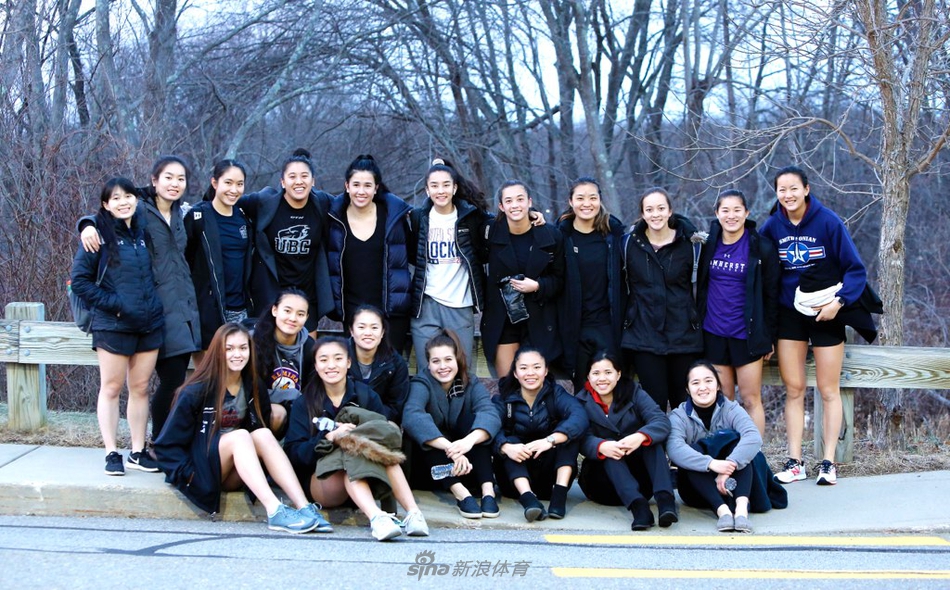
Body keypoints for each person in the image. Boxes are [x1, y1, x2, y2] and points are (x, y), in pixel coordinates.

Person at [154, 323, 331, 534]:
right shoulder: (196, 390)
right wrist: (188, 475)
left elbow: (260, 425)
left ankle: (305, 508)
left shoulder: (252, 384)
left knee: (263, 433)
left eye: (243, 348)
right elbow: (165, 446)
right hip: (201, 470)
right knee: (240, 436)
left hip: (235, 468)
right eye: (229, 349)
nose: (237, 354)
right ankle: (275, 510)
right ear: (217, 352)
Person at [78, 157, 201, 447]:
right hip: (143, 313)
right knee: (155, 383)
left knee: (166, 383)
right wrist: (86, 225)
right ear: (154, 181)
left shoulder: (183, 214)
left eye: (181, 178)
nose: (174, 184)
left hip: (176, 310)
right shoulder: (141, 209)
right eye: (168, 177)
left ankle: (159, 445)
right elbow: (107, 215)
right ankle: (156, 444)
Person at [761, 166, 870, 486]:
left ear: (806, 189)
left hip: (827, 311)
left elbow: (855, 269)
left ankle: (828, 462)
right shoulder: (772, 226)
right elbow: (761, 269)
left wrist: (839, 303)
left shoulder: (828, 222)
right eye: (782, 190)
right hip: (789, 314)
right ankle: (795, 462)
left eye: (794, 188)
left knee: (828, 389)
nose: (788, 195)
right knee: (794, 389)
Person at [284, 337, 429, 541]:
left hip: (368, 478)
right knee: (349, 449)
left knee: (374, 450)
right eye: (323, 360)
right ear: (315, 366)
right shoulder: (304, 402)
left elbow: (383, 436)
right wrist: (329, 437)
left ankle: (413, 513)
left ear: (348, 362)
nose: (331, 365)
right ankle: (377, 517)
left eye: (338, 358)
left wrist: (356, 436)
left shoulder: (366, 396)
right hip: (325, 482)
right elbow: (295, 454)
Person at [71, 177, 165, 475]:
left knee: (140, 388)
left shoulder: (142, 230)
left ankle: (137, 451)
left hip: (148, 323)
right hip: (113, 325)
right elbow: (80, 282)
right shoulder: (97, 235)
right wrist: (116, 304)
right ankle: (112, 452)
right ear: (106, 204)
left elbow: (160, 191)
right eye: (115, 198)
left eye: (128, 196)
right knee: (111, 388)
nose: (123, 202)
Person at [696, 189, 780, 436]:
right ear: (717, 213)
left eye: (737, 210)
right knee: (722, 400)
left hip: (747, 334)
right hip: (714, 332)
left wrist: (769, 336)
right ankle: (725, 453)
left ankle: (754, 454)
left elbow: (771, 296)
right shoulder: (708, 245)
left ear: (746, 212)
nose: (731, 216)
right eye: (725, 210)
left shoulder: (761, 247)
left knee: (751, 399)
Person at [621, 187, 705, 412]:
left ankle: (684, 438)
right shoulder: (628, 244)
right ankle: (655, 438)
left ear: (670, 211)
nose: (655, 214)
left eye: (660, 208)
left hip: (683, 336)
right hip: (644, 335)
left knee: (684, 406)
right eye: (649, 209)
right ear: (642, 214)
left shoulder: (691, 245)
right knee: (653, 406)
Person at [402, 329, 501, 519]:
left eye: (448, 359)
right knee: (427, 428)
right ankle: (461, 493)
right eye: (436, 361)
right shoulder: (421, 382)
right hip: (430, 470)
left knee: (475, 424)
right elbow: (412, 416)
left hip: (466, 466)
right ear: (428, 364)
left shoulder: (470, 382)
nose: (442, 366)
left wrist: (467, 442)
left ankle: (488, 491)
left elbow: (490, 413)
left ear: (457, 359)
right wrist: (451, 448)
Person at [576, 351, 677, 530]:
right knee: (608, 447)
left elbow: (660, 421)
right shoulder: (580, 401)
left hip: (641, 481)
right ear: (588, 377)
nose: (602, 378)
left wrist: (640, 436)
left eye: (608, 372)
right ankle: (639, 509)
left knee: (650, 440)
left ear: (618, 374)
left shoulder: (634, 392)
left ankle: (666, 501)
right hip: (601, 483)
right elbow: (579, 437)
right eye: (596, 373)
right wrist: (601, 446)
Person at [408, 158, 490, 373]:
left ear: (454, 188)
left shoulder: (471, 217)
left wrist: (532, 214)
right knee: (427, 371)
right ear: (427, 190)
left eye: (446, 185)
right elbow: (412, 256)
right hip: (426, 304)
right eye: (434, 186)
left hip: (460, 304)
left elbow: (503, 221)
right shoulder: (417, 218)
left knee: (462, 371)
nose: (440, 191)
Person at [241, 149, 334, 333]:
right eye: (292, 176)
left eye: (304, 176)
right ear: (283, 182)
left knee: (307, 348)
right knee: (269, 347)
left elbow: (354, 200)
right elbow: (229, 199)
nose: (299, 181)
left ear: (313, 181)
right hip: (270, 294)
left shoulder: (322, 203)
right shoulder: (264, 202)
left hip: (307, 295)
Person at [327, 155, 412, 354]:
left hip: (391, 311)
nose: (361, 191)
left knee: (390, 367)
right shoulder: (334, 219)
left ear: (376, 188)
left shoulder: (393, 218)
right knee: (355, 368)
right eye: (356, 185)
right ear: (347, 186)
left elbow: (414, 254)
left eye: (367, 185)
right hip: (352, 311)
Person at [666, 361, 763, 533]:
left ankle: (741, 512)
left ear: (718, 385)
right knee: (693, 451)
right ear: (688, 389)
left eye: (708, 381)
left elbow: (753, 436)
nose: (702, 387)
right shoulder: (678, 416)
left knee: (736, 443)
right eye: (695, 383)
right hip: (697, 490)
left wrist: (729, 465)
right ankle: (723, 512)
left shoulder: (731, 408)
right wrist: (711, 464)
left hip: (732, 484)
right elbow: (674, 448)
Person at [493, 347, 588, 521]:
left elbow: (579, 417)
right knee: (510, 440)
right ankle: (529, 500)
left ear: (545, 371)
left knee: (567, 435)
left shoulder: (556, 394)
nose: (530, 373)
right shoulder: (504, 399)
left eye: (536, 367)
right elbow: (488, 427)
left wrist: (550, 440)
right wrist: (506, 447)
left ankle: (559, 497)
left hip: (548, 481)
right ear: (515, 373)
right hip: (513, 481)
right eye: (523, 368)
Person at [482, 181, 565, 377]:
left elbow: (560, 279)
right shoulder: (490, 232)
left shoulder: (550, 234)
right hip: (503, 319)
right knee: (507, 384)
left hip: (539, 318)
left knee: (535, 384)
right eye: (509, 201)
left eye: (520, 199)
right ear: (501, 206)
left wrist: (538, 286)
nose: (515, 205)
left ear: (529, 202)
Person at [556, 177, 626, 390]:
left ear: (600, 200)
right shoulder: (560, 236)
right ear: (571, 201)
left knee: (610, 389)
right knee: (582, 391)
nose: (587, 203)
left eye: (592, 198)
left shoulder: (614, 235)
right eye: (580, 198)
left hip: (608, 325)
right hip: (575, 328)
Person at [184, 159, 253, 350]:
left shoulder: (244, 218)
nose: (234, 190)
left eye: (239, 184)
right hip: (208, 309)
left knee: (238, 365)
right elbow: (184, 261)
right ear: (214, 183)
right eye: (228, 183)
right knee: (209, 367)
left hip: (239, 309)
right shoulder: (198, 217)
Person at [252, 288, 314, 436]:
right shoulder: (255, 340)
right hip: (262, 406)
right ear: (275, 310)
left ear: (306, 317)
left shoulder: (310, 346)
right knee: (277, 414)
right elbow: (252, 388)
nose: (293, 318)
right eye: (287, 311)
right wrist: (290, 395)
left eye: (300, 314)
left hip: (296, 406)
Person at [346, 305, 410, 424]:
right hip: (344, 420)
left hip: (380, 423)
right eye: (361, 327)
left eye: (374, 327)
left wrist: (371, 420)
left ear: (382, 332)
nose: (368, 333)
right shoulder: (339, 357)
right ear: (351, 331)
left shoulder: (395, 363)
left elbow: (395, 406)